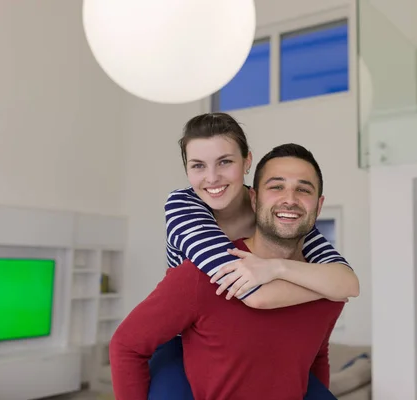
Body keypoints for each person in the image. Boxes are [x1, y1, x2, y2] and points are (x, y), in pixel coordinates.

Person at [110, 143, 347, 400]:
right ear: (254, 199)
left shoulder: (328, 284)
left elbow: (316, 356)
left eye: (303, 189)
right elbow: (127, 346)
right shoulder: (204, 273)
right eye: (276, 186)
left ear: (319, 205)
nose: (289, 199)